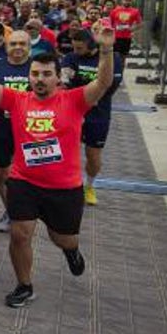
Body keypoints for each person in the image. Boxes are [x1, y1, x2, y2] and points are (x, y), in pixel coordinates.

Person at [0, 23, 117, 307]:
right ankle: (24, 285)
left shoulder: (74, 100)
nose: (40, 79)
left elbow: (102, 83)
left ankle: (71, 251)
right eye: (35, 74)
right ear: (29, 76)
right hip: (24, 181)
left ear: (57, 78)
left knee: (61, 238)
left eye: (46, 74)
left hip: (64, 188)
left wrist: (107, 49)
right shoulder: (17, 100)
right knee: (20, 233)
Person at [61, 28, 124, 205]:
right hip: (72, 110)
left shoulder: (112, 59)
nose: (75, 52)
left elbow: (110, 85)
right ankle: (68, 184)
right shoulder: (71, 58)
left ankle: (89, 186)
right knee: (65, 151)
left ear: (91, 46)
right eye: (74, 47)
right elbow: (66, 82)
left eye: (79, 48)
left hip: (98, 113)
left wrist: (91, 96)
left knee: (93, 155)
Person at [0, 29, 34, 232]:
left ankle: (26, 211)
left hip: (30, 129)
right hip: (0, 127)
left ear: (29, 46)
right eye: (13, 44)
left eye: (22, 44)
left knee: (28, 174)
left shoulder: (36, 68)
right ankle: (11, 211)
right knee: (2, 173)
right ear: (6, 46)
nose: (18, 47)